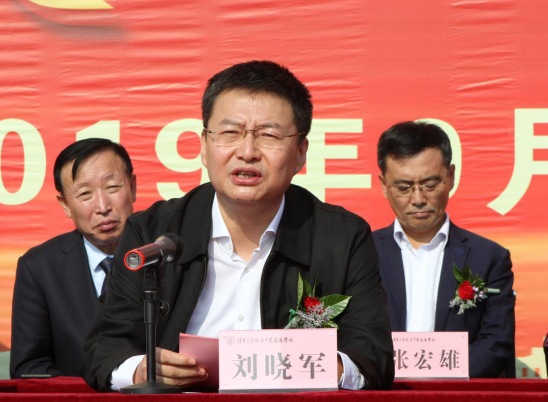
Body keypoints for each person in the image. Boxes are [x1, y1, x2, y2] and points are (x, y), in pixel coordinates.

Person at [82, 60, 394, 392]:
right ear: (204, 145)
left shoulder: (342, 238)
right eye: (230, 133)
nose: (247, 152)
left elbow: (372, 355)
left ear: (301, 153)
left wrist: (319, 366)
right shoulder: (151, 233)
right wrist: (140, 370)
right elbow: (104, 347)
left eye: (269, 135)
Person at [373, 121, 515, 378]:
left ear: (450, 177)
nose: (418, 199)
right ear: (384, 185)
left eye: (430, 184)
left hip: (456, 390)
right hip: (381, 389)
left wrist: (439, 381)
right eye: (403, 187)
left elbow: (495, 343)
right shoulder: (362, 253)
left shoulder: (488, 258)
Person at [10, 138, 137, 378]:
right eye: (85, 194)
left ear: (132, 187)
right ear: (65, 204)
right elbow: (29, 369)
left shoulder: (168, 253)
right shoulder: (39, 268)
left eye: (112, 187)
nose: (102, 206)